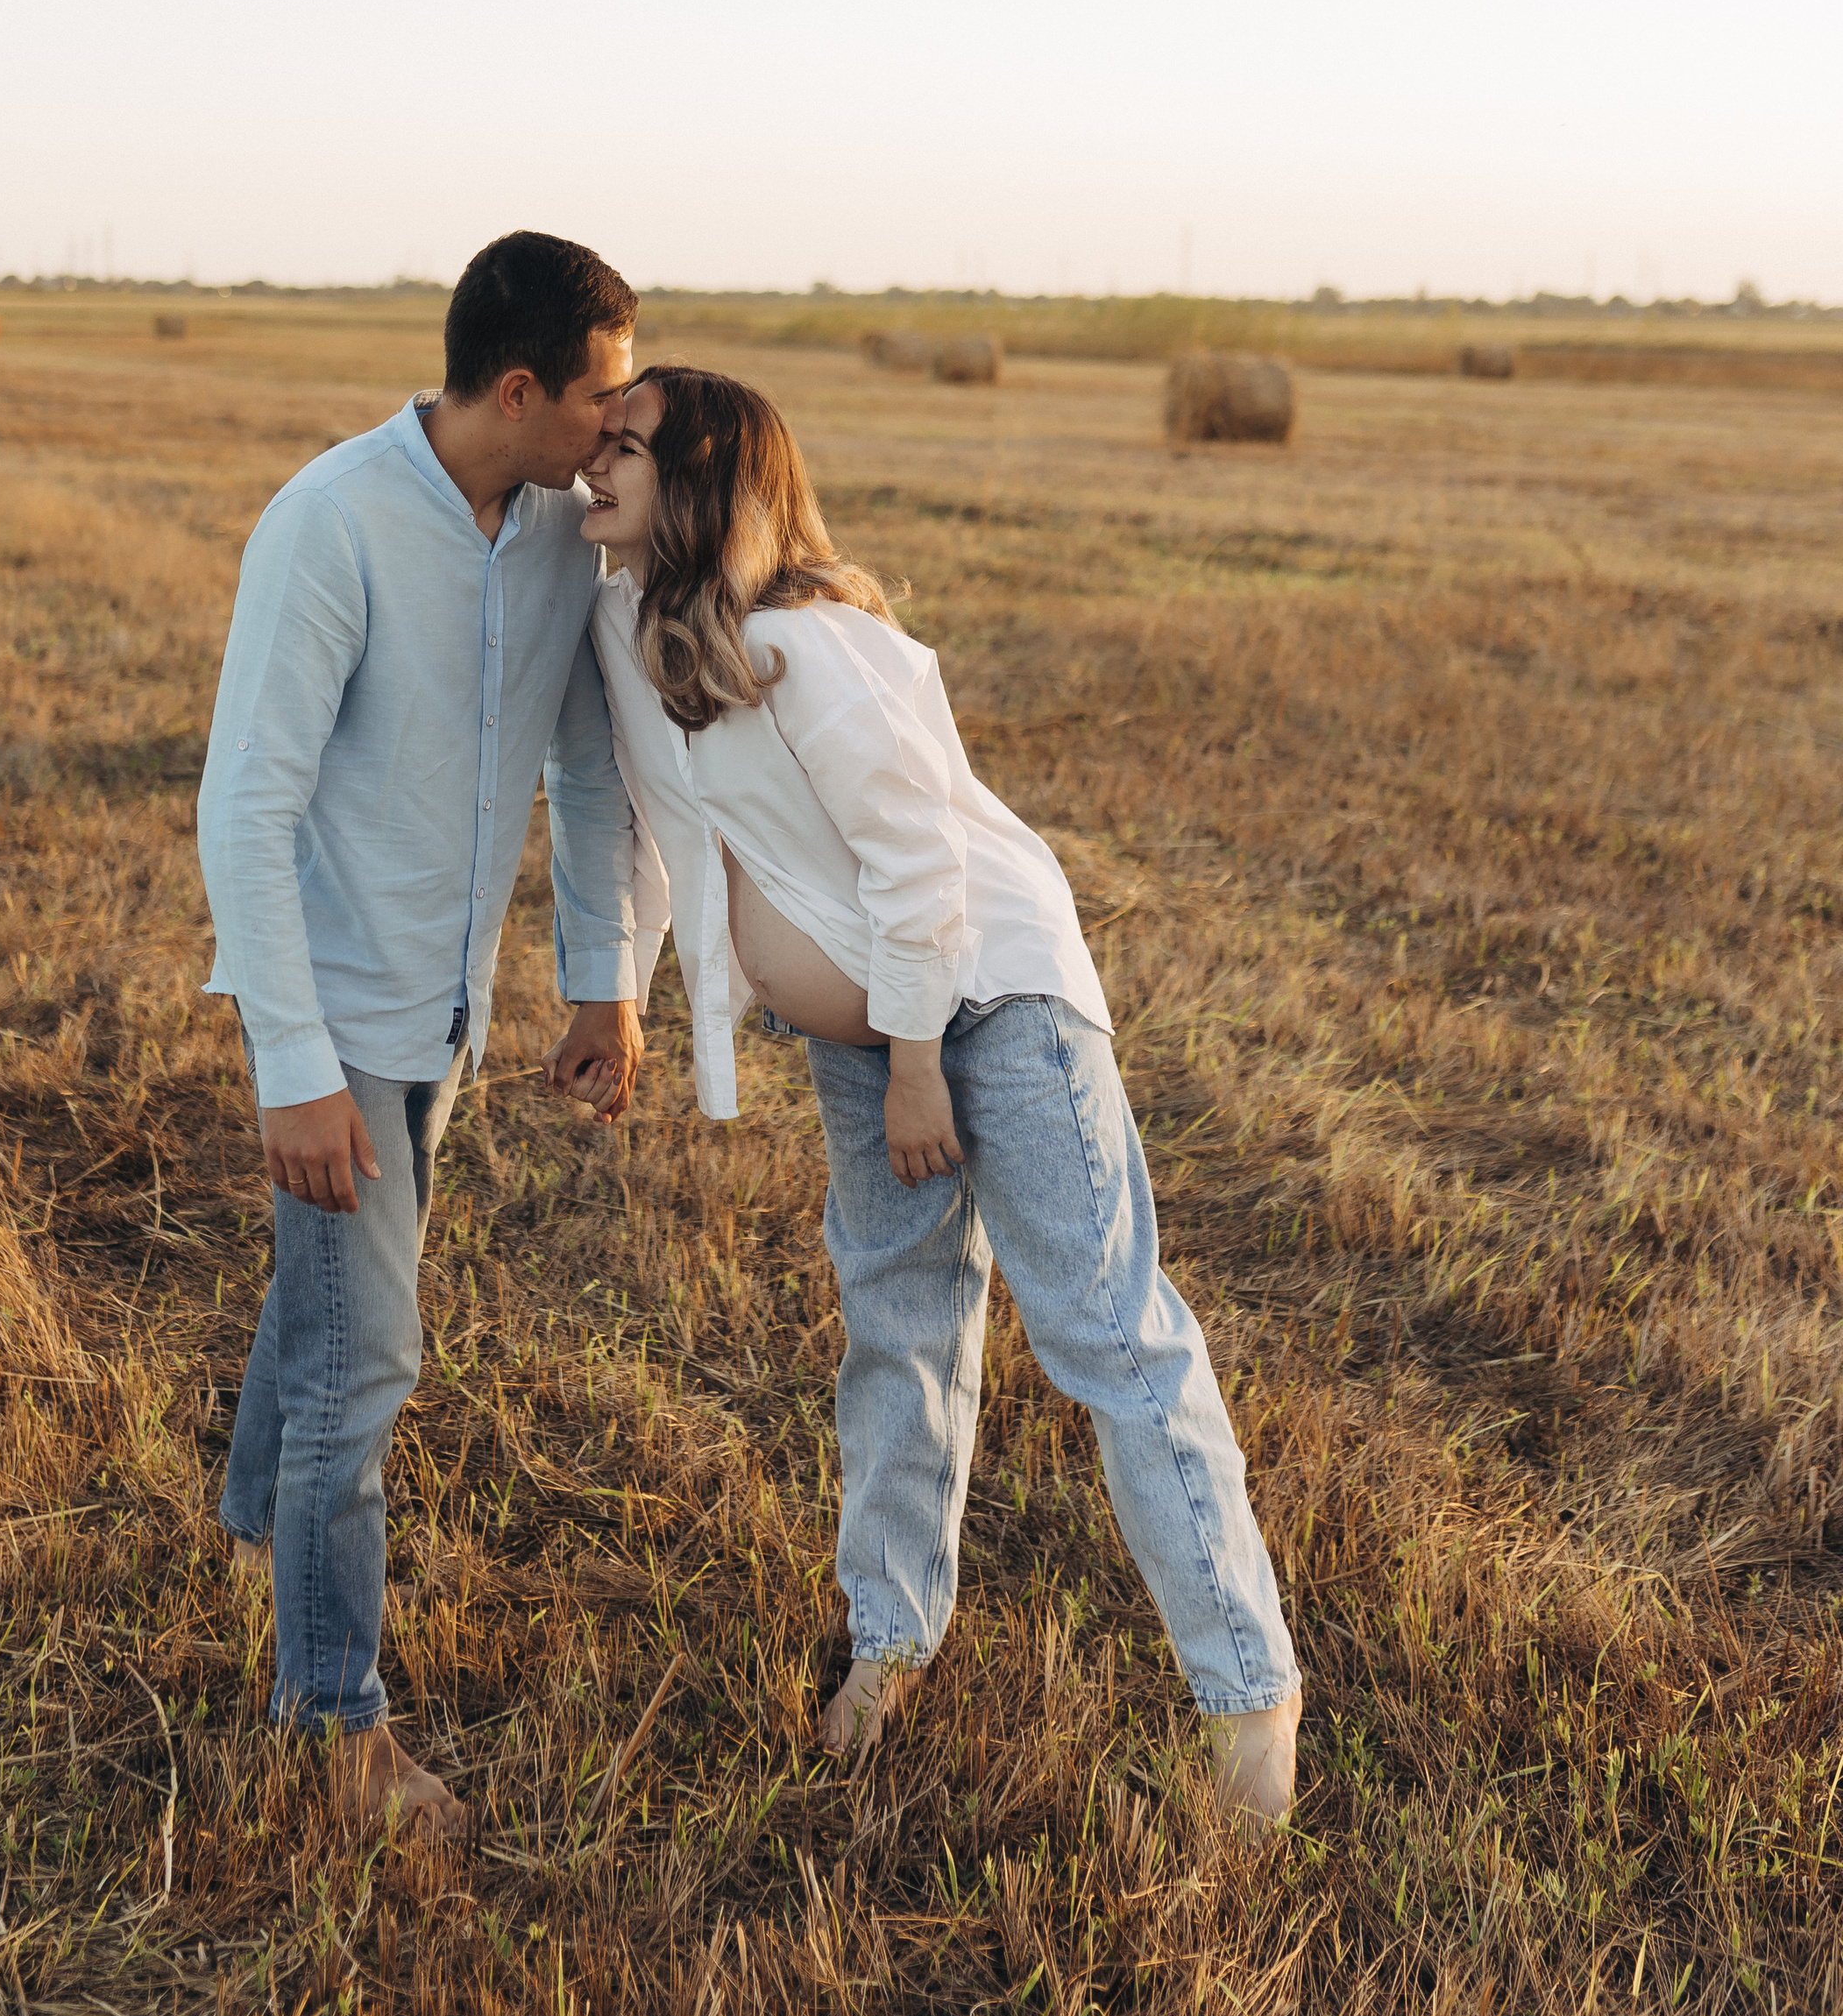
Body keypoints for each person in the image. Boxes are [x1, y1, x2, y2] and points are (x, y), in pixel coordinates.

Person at [563, 365, 1303, 1824]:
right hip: (863, 1040)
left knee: (1106, 1337)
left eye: (626, 451)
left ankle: (1249, 1701)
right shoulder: (621, 624)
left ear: (704, 486)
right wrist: (631, 995)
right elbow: (652, 827)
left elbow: (921, 865)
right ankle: (891, 1644)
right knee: (896, 1331)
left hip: (988, 1009)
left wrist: (914, 1064)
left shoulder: (812, 647)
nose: (593, 470)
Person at [199, 231, 649, 1837]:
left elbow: (590, 769)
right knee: (360, 1365)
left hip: (447, 1012)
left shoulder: (558, 541)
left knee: (328, 1308)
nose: (622, 421)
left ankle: (256, 1525)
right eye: (602, 393)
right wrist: (294, 1070)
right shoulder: (330, 523)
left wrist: (606, 978)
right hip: (338, 1017)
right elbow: (245, 807)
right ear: (518, 389)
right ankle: (331, 1725)